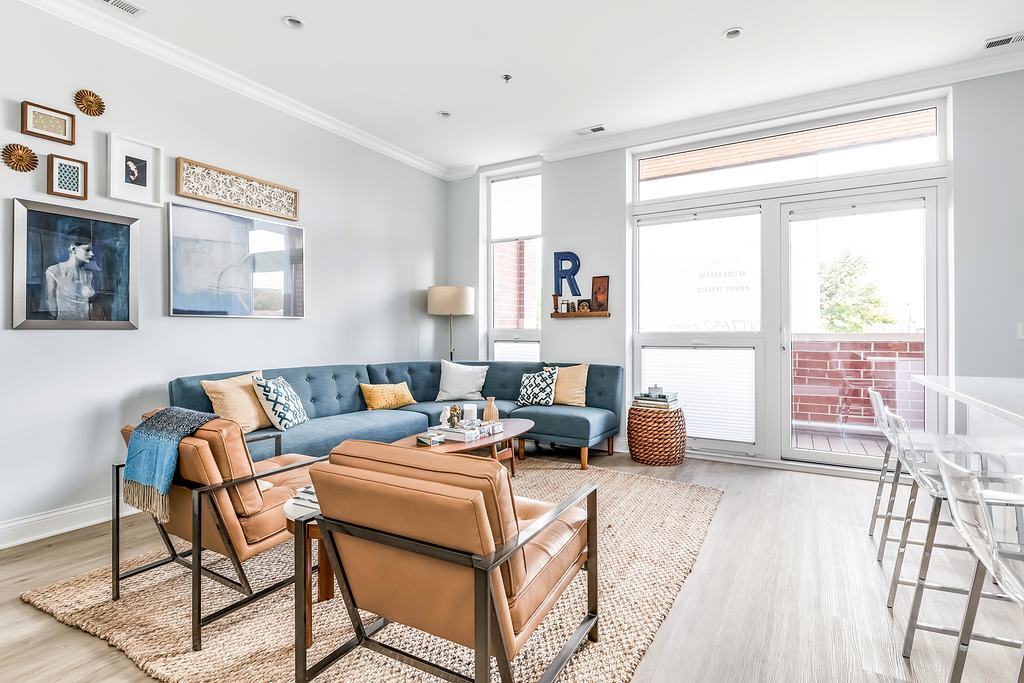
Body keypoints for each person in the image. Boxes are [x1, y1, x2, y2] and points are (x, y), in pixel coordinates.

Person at [45, 227, 95, 320]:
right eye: (87, 249)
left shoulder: (88, 274)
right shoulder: (54, 271)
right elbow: (52, 304)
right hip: (64, 325)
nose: (92, 254)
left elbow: (89, 306)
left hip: (86, 325)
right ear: (73, 248)